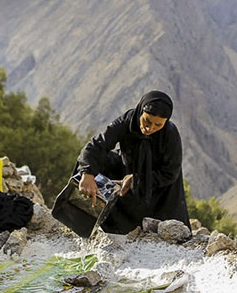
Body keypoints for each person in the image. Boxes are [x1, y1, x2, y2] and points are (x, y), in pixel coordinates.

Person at [75, 90, 190, 234]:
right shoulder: (126, 122)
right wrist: (87, 173)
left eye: (158, 125)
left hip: (158, 185)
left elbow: (170, 173)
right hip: (126, 174)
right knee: (92, 162)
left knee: (169, 232)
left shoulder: (170, 134)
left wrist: (137, 179)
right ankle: (82, 220)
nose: (150, 128)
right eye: (146, 121)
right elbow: (96, 146)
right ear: (140, 111)